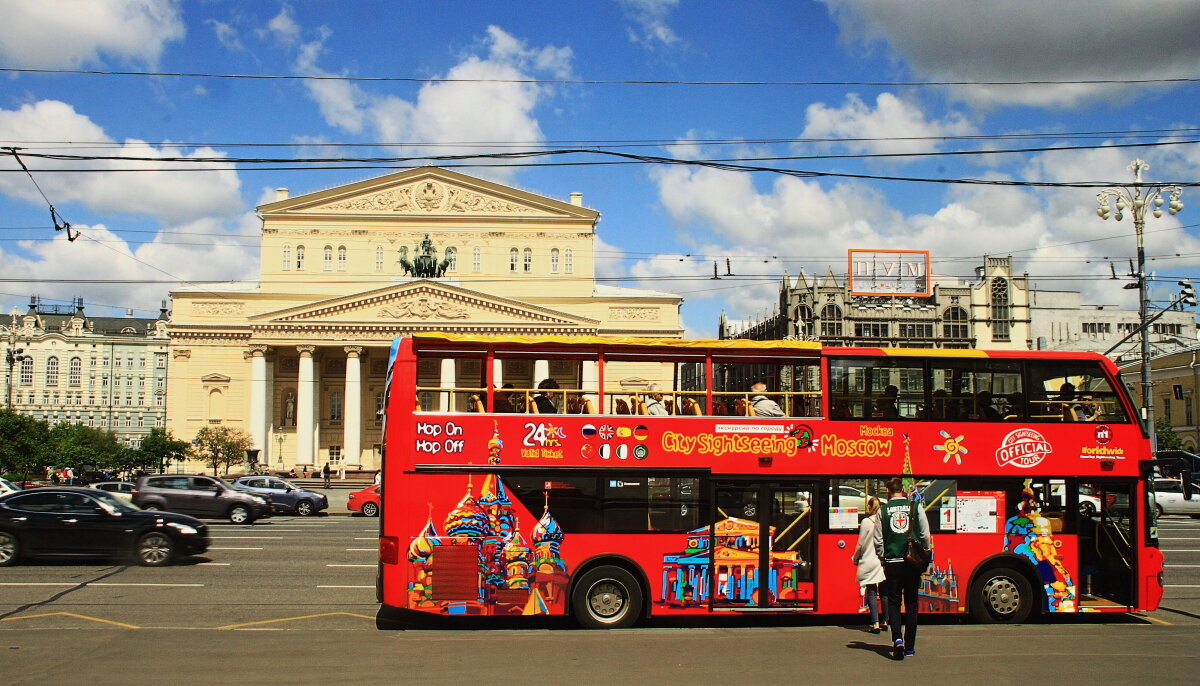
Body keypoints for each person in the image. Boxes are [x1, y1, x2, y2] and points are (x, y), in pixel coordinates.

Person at [875, 476, 932, 660]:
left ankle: (897, 639)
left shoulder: (882, 511)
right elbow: (925, 535)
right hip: (912, 563)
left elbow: (878, 541)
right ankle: (910, 647)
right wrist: (923, 553)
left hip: (893, 563)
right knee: (912, 604)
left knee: (893, 602)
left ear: (889, 491)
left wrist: (883, 558)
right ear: (902, 490)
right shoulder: (915, 507)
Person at [852, 496, 886, 633]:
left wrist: (855, 558)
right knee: (885, 592)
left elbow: (861, 544)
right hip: (883, 560)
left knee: (871, 591)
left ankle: (875, 623)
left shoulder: (866, 522)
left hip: (870, 560)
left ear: (869, 507)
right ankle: (885, 621)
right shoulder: (885, 520)